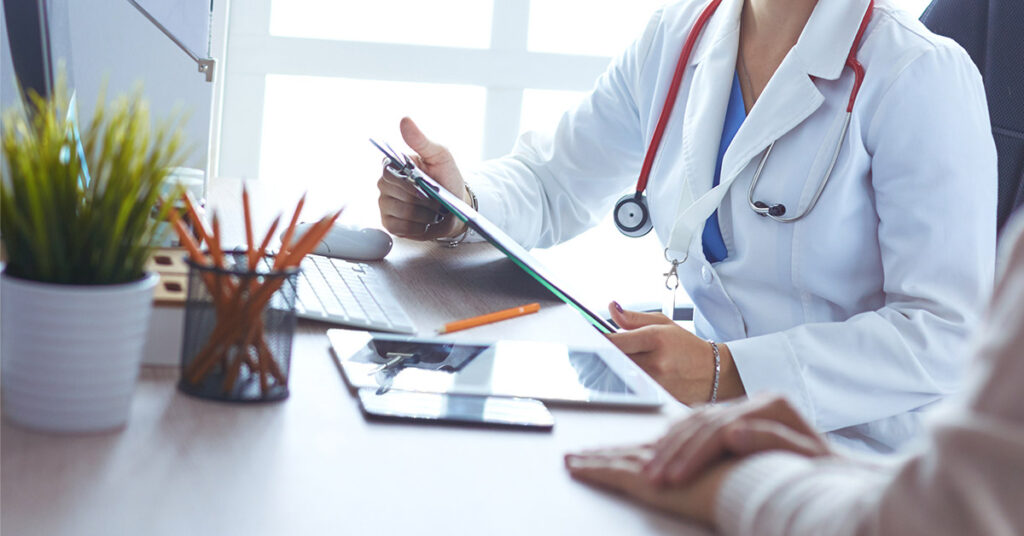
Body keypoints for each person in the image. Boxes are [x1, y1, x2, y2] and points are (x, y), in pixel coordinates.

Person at [376, 0, 996, 451]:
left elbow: (945, 336)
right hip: (712, 425)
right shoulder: (680, 35)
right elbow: (554, 179)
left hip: (860, 452)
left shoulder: (918, 74)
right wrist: (461, 202)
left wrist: (729, 372)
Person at [562, 212, 1024, 535]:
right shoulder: (675, 68)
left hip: (858, 444)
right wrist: (847, 473)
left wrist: (735, 475)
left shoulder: (919, 74)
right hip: (830, 461)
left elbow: (950, 523)